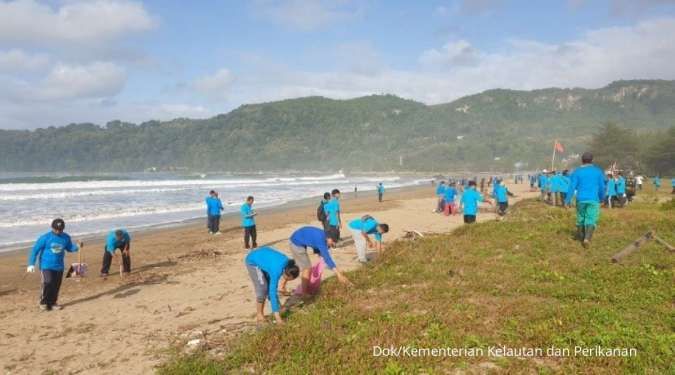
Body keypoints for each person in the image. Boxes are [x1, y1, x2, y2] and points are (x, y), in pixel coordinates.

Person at [26, 218, 80, 311]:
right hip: (46, 265)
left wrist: (78, 247)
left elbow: (70, 248)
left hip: (59, 266)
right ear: (52, 227)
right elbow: (35, 250)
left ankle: (53, 302)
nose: (58, 231)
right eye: (56, 229)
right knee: (48, 282)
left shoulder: (66, 237)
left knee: (56, 285)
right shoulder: (45, 237)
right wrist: (31, 264)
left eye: (60, 229)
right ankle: (43, 302)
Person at [283, 226, 352, 295]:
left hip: (300, 238)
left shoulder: (324, 235)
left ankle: (285, 284)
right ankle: (304, 294)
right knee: (307, 268)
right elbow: (327, 258)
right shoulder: (321, 240)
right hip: (296, 243)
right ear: (329, 238)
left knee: (302, 267)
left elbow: (313, 242)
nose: (332, 245)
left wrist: (320, 256)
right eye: (333, 242)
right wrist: (339, 275)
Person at [244, 247, 299, 324]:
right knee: (262, 289)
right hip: (253, 261)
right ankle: (259, 315)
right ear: (286, 273)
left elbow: (281, 279)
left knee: (270, 285)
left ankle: (278, 307)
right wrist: (278, 319)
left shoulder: (288, 264)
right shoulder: (276, 271)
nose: (287, 281)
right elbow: (272, 292)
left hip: (265, 257)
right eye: (288, 279)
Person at [565, 152, 606, 248]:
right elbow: (602, 187)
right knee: (591, 219)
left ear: (582, 160)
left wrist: (567, 200)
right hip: (593, 199)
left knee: (581, 218)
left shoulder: (577, 171)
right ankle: (587, 239)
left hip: (581, 199)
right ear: (592, 160)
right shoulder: (598, 171)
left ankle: (581, 237)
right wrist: (602, 198)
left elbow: (572, 187)